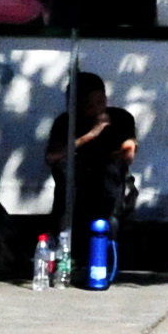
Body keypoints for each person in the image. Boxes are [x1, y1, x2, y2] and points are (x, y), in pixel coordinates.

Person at [50, 71, 141, 227]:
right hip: (77, 184)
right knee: (65, 168)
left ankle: (109, 230)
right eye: (89, 105)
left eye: (101, 102)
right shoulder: (65, 122)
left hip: (109, 187)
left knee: (110, 172)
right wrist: (92, 133)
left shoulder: (121, 118)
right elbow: (52, 157)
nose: (97, 108)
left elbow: (128, 154)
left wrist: (97, 160)